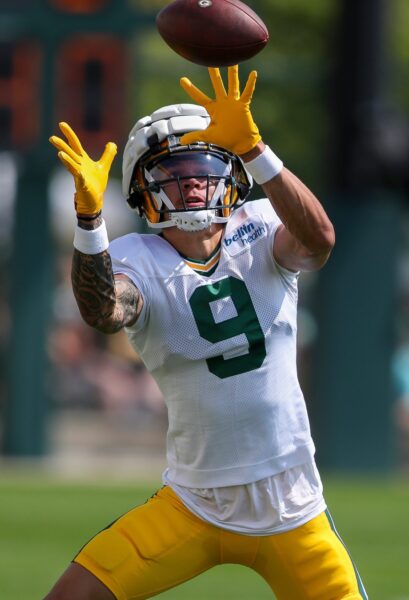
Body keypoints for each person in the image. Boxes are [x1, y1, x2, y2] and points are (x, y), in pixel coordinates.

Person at [46, 65, 368, 600]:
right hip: (194, 503)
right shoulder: (134, 259)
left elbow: (319, 240)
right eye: (173, 172)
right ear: (143, 191)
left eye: (203, 167)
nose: (191, 180)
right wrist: (89, 224)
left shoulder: (262, 228)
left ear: (233, 178)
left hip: (293, 506)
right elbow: (103, 311)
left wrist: (257, 150)